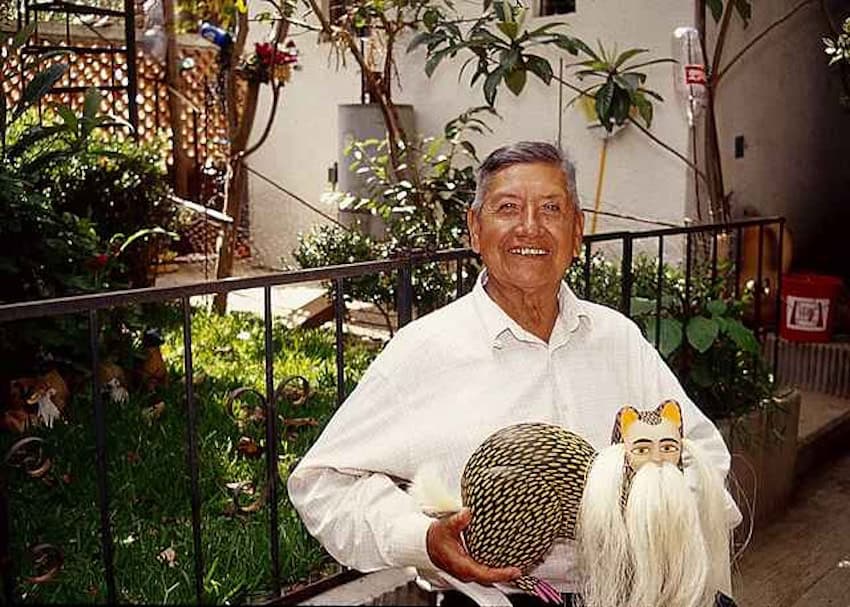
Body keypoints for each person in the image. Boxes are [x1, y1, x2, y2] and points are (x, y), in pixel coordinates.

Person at [287, 141, 741, 605]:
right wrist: (420, 538)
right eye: (507, 208)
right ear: (475, 229)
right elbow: (321, 485)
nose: (530, 227)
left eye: (551, 208)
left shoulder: (617, 339)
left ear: (577, 231)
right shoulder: (425, 350)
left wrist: (655, 512)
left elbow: (703, 453)